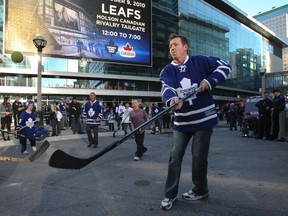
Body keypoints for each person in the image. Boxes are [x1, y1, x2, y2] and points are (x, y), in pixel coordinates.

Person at [159, 33, 231, 210]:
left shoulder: (201, 61)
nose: (172, 48)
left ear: (185, 47)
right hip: (181, 122)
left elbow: (225, 67)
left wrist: (209, 80)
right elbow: (166, 87)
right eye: (170, 46)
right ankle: (170, 194)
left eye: (175, 44)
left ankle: (200, 189)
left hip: (203, 119)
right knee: (174, 157)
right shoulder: (167, 70)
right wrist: (172, 100)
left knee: (199, 158)